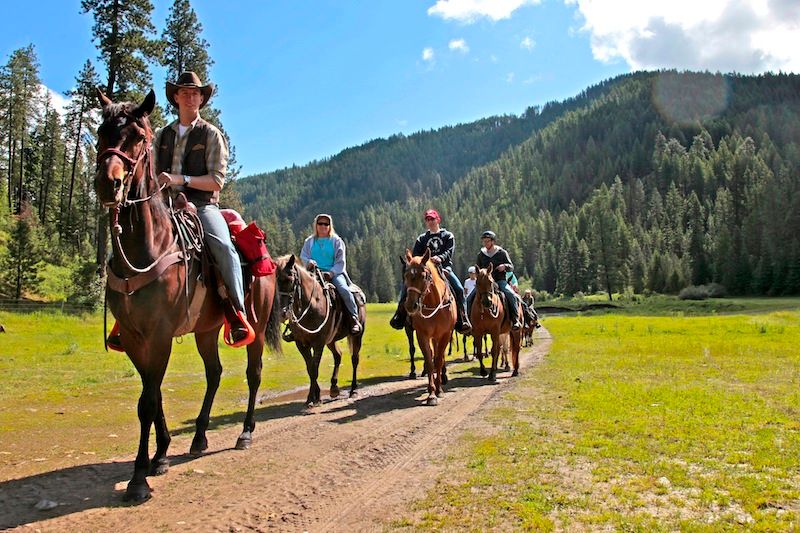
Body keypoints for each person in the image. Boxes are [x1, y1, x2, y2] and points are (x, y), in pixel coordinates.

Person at [155, 71, 253, 346]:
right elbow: (152, 174)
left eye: (195, 93)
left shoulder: (211, 134)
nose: (190, 97)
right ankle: (126, 316)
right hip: (164, 206)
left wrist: (180, 179)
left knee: (223, 246)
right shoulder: (163, 135)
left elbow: (216, 182)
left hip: (202, 205)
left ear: (201, 98)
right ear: (175, 97)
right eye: (184, 92)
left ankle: (237, 313)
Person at [390, 209, 472, 334]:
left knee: (459, 289)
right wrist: (421, 262)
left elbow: (449, 252)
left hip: (444, 268)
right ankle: (400, 316)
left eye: (432, 219)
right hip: (425, 270)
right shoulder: (421, 239)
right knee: (407, 289)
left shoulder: (448, 236)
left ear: (438, 220)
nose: (430, 222)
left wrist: (440, 258)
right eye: (427, 220)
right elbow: (416, 255)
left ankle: (462, 319)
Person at [300, 213, 362, 334]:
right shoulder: (309, 241)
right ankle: (295, 325)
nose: (323, 226)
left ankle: (354, 319)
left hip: (334, 273)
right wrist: (308, 262)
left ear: (330, 226)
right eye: (320, 223)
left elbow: (341, 261)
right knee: (299, 291)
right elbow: (303, 256)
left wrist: (332, 273)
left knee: (344, 290)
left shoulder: (336, 241)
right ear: (316, 225)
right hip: (313, 274)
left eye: (326, 224)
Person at [466, 230, 522, 330]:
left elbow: (511, 267)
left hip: (500, 280)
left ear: (493, 241)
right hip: (484, 283)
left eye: (487, 241)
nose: (485, 243)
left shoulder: (502, 253)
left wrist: (504, 266)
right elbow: (477, 268)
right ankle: (468, 322)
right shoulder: (481, 254)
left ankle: (515, 320)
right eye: (484, 241)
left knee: (511, 295)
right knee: (469, 298)